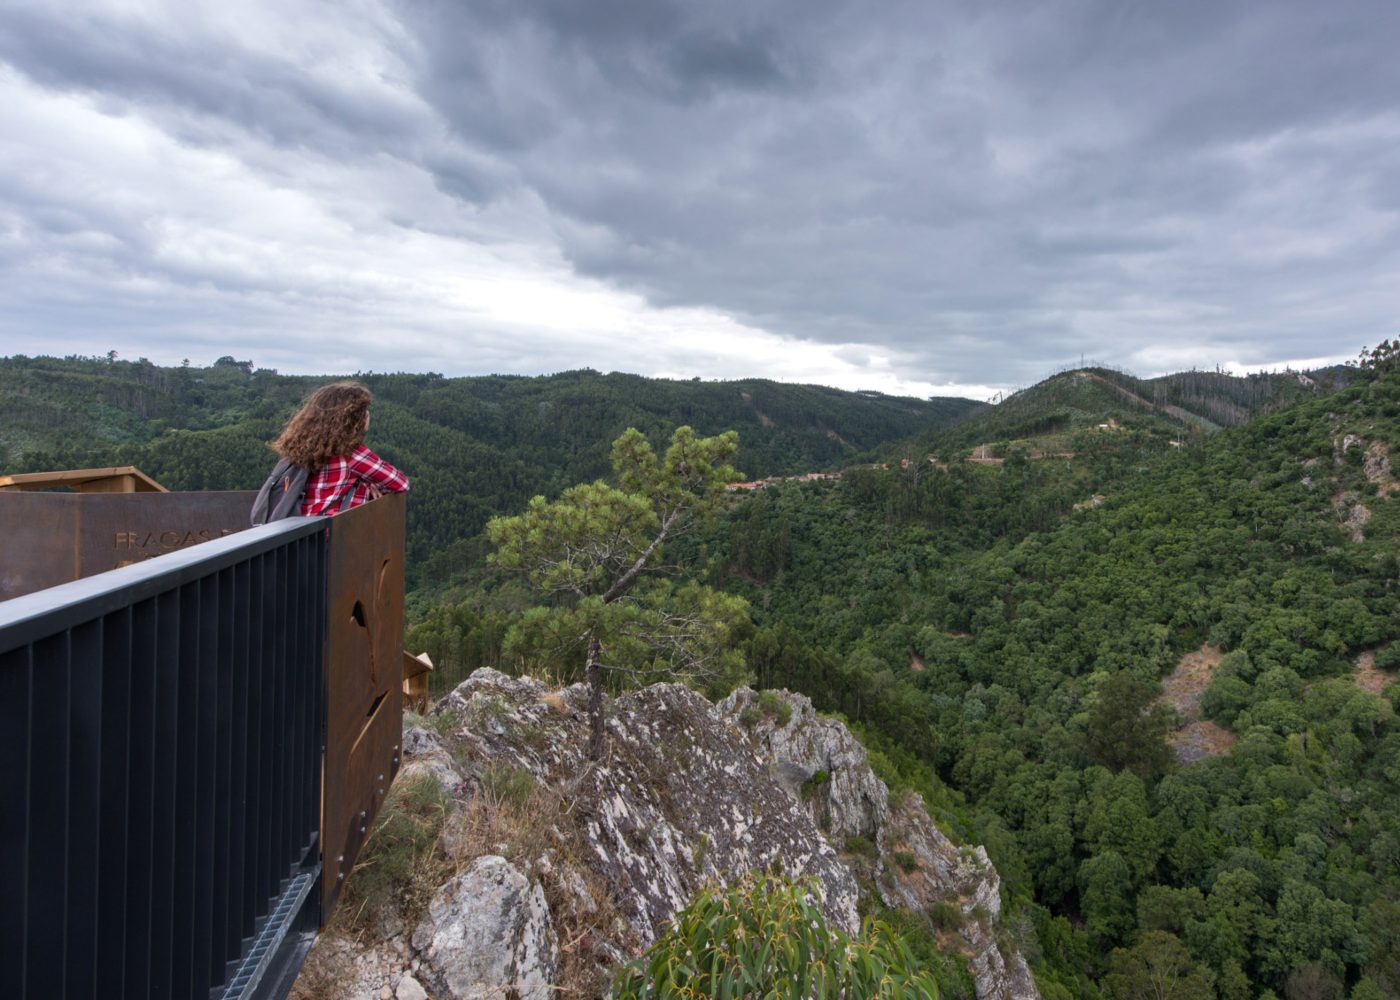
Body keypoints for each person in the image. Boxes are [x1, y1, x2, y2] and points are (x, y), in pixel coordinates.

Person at [270, 381, 409, 515]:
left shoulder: (303, 450)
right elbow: (401, 483)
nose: (367, 415)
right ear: (355, 419)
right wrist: (372, 483)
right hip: (334, 534)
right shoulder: (351, 455)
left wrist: (366, 484)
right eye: (364, 411)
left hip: (304, 532)